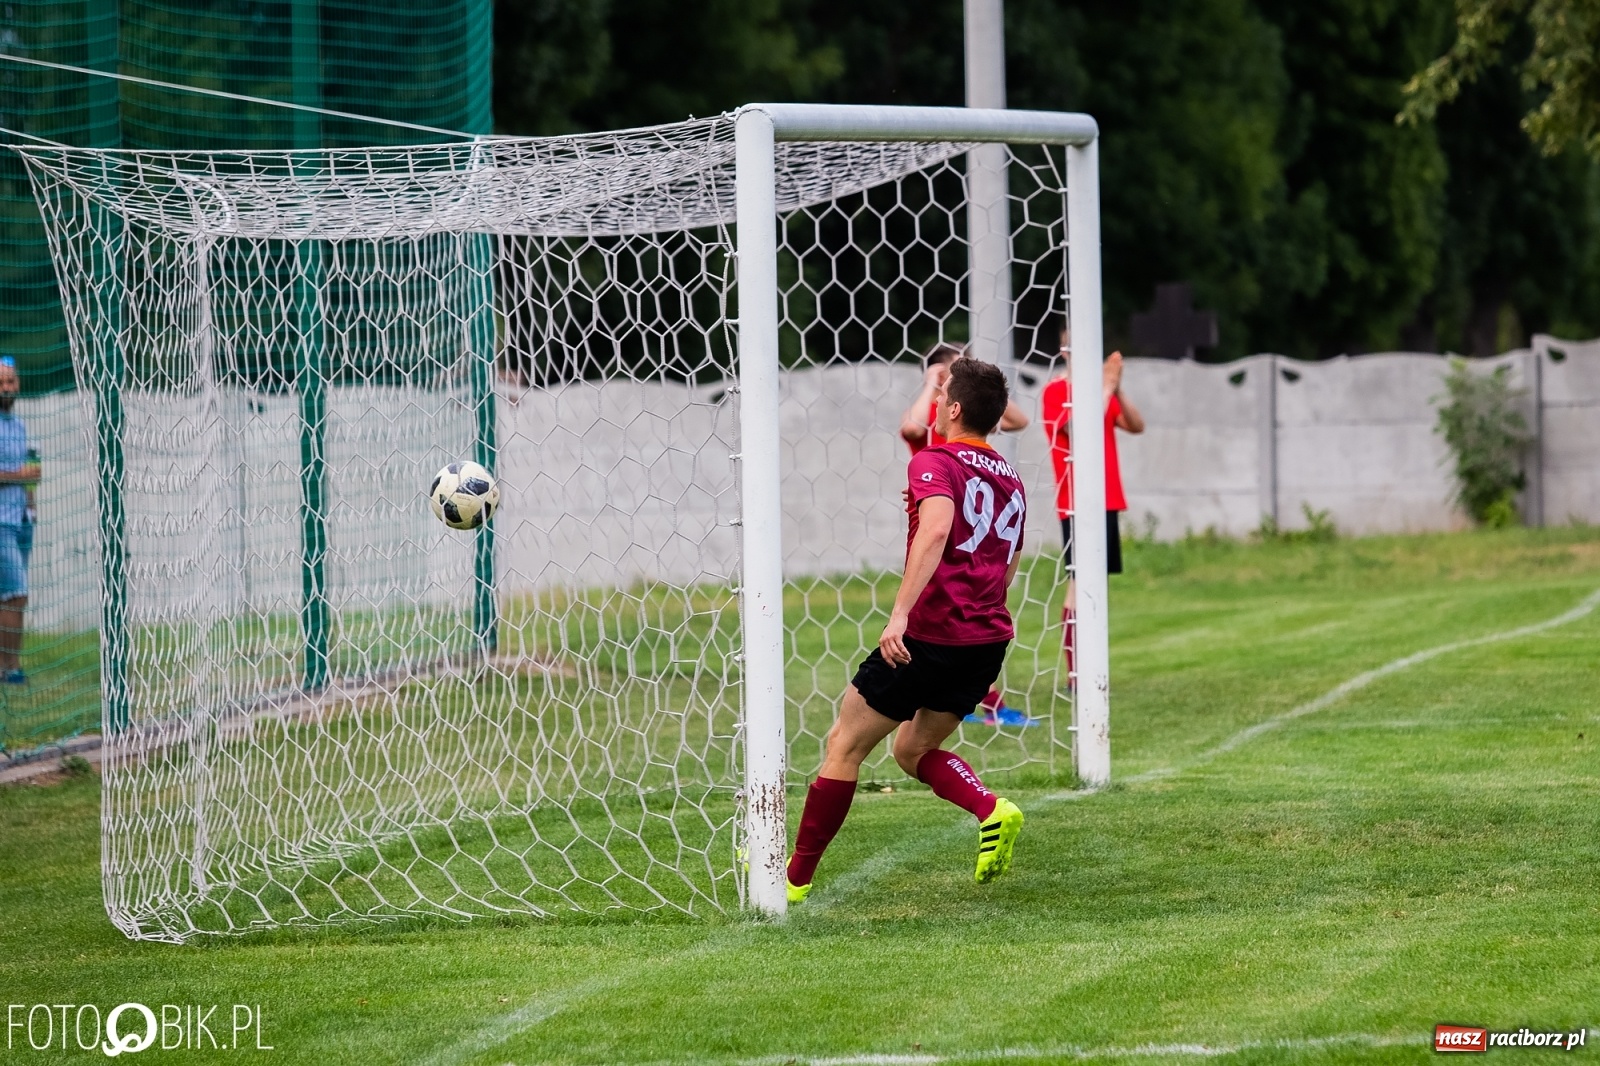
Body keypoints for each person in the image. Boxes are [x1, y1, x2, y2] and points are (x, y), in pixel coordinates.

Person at [786, 357, 1028, 903]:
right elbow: (1007, 562)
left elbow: (940, 528)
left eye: (941, 395)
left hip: (929, 638)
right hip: (985, 641)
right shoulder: (1010, 478)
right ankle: (992, 808)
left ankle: (793, 880)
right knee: (912, 750)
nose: (935, 404)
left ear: (955, 408)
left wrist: (899, 615)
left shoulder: (934, 460)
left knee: (843, 745)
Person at [898, 341, 1032, 726]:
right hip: (940, 539)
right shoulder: (931, 432)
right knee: (946, 622)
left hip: (972, 538)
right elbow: (910, 426)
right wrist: (933, 384)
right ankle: (982, 702)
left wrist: (979, 385)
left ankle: (981, 702)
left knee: (958, 625)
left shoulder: (970, 425)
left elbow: (1016, 420)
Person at [1040, 324, 1144, 677]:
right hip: (1076, 502)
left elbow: (1136, 425)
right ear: (1066, 353)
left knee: (1096, 581)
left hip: (1106, 499)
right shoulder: (1057, 391)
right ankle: (1076, 672)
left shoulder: (1100, 391)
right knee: (1078, 581)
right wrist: (1106, 387)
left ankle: (1090, 663)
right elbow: (1077, 429)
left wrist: (1117, 388)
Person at [0, 357, 38, 685]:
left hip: (22, 519)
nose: (7, 387)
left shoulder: (19, 425)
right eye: (1, 382)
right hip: (0, 522)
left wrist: (32, 509)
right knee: (14, 592)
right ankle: (8, 669)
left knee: (16, 595)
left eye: (10, 381)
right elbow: (22, 472)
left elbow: (33, 471)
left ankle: (11, 664)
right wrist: (19, 475)